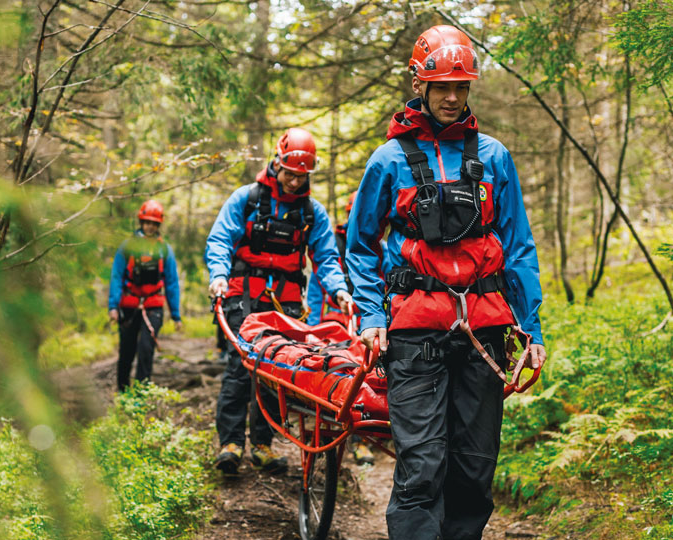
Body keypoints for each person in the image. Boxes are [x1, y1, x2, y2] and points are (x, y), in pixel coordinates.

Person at [345, 25, 547, 540]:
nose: (453, 97)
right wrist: (371, 316)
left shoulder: (495, 158)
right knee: (422, 467)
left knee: (475, 470)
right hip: (414, 333)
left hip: (485, 331)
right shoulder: (389, 160)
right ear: (421, 86)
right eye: (443, 87)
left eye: (462, 86)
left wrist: (532, 327)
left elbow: (518, 245)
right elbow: (362, 246)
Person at [205, 127, 352, 475]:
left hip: (283, 304)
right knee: (240, 367)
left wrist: (340, 289)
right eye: (289, 174)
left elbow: (327, 258)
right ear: (276, 163)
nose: (294, 182)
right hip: (242, 297)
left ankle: (262, 444)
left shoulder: (312, 213)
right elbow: (220, 240)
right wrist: (218, 275)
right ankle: (230, 443)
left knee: (277, 369)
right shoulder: (247, 199)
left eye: (302, 176)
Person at [306, 189, 391, 466]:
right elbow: (318, 287)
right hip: (335, 324)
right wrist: (315, 328)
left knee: (368, 378)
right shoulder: (336, 245)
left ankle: (365, 437)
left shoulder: (385, 250)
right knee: (340, 373)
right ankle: (334, 434)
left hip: (370, 325)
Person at [109, 199, 182, 392]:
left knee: (146, 350)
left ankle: (141, 394)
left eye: (154, 223)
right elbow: (116, 276)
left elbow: (172, 282)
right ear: (141, 222)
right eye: (147, 222)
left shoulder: (164, 249)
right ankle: (123, 391)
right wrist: (113, 307)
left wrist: (176, 314)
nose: (150, 227)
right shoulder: (127, 247)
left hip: (153, 306)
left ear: (158, 225)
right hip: (129, 305)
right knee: (127, 350)